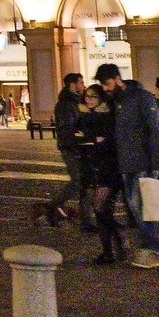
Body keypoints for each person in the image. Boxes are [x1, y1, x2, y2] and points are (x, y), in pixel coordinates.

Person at [96, 62, 159, 268]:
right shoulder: (117, 101)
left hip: (143, 163)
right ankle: (150, 250)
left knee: (143, 209)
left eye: (108, 84)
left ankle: (153, 251)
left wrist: (158, 163)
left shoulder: (142, 97)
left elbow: (156, 130)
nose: (106, 89)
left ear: (118, 79)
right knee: (138, 210)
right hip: (126, 164)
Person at [68, 83, 126, 264]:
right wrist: (92, 140)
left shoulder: (108, 116)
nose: (89, 99)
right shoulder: (83, 115)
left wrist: (89, 139)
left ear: (101, 98)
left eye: (93, 96)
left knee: (101, 208)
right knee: (99, 211)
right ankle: (110, 249)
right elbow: (74, 138)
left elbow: (107, 142)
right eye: (87, 95)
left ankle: (116, 244)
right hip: (89, 167)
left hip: (107, 168)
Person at [34, 74, 86, 227]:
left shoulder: (77, 101)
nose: (83, 85)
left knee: (84, 181)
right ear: (72, 84)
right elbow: (67, 128)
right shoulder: (65, 104)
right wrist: (77, 137)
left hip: (79, 146)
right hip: (71, 147)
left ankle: (85, 217)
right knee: (78, 180)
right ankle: (52, 206)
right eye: (81, 83)